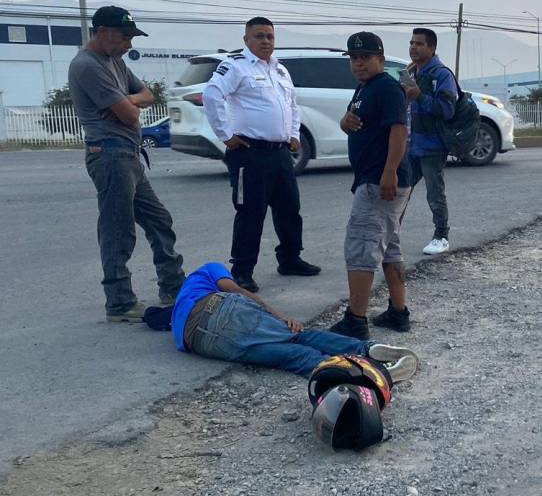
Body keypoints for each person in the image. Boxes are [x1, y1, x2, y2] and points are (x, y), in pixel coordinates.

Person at [69, 6, 186, 322]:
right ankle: (119, 303)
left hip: (128, 154)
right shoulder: (87, 66)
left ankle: (173, 287)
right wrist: (129, 104)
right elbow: (132, 114)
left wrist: (127, 99)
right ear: (103, 32)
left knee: (159, 220)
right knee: (118, 230)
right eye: (125, 36)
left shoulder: (115, 62)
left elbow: (146, 96)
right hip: (108, 154)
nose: (129, 44)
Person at [203, 17, 320, 293]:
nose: (265, 41)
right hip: (249, 153)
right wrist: (226, 136)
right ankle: (242, 271)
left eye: (269, 36)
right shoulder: (236, 66)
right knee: (250, 212)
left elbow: (292, 104)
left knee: (290, 209)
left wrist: (293, 134)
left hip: (280, 153)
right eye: (259, 36)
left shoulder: (280, 69)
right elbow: (212, 95)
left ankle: (290, 259)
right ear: (246, 40)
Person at [172, 261, 418, 379]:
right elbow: (234, 290)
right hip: (219, 308)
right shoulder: (209, 268)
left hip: (202, 342)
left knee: (292, 356)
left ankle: (358, 374)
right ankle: (367, 350)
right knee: (298, 336)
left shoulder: (179, 306)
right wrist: (280, 316)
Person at [328, 32, 414, 338]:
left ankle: (355, 320)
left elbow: (399, 130)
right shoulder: (365, 88)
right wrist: (344, 122)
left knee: (362, 247)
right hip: (375, 178)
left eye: (365, 57)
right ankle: (398, 313)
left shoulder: (387, 87)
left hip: (380, 181)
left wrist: (389, 171)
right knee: (389, 247)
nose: (358, 63)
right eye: (354, 58)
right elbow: (356, 121)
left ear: (380, 58)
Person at [402, 28, 457, 256]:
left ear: (432, 48)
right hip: (410, 143)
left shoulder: (441, 74)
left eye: (420, 44)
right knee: (400, 190)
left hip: (432, 144)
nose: (414, 47)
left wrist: (419, 96)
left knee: (434, 192)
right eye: (412, 43)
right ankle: (389, 233)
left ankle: (441, 236)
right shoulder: (410, 72)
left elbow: (447, 109)